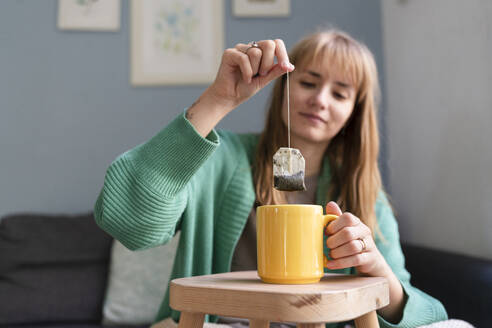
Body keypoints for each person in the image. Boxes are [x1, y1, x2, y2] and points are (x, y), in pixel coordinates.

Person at [94, 29, 448, 328]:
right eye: (308, 82)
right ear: (283, 87)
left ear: (354, 113)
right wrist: (218, 99)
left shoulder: (365, 194)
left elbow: (429, 318)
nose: (320, 100)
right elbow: (126, 220)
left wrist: (376, 268)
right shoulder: (222, 159)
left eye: (340, 93)